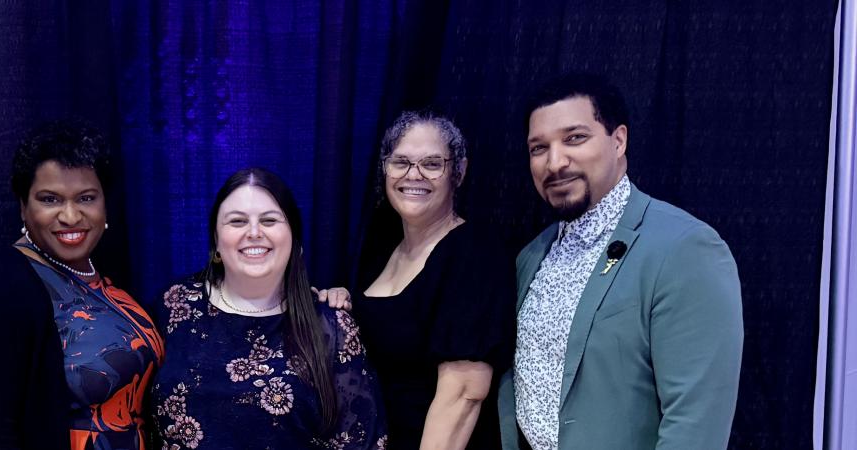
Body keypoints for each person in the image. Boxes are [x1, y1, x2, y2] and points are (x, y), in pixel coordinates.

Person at [498, 73, 744, 449]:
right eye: (538, 148)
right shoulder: (530, 256)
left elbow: (696, 424)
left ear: (619, 140)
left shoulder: (684, 248)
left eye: (574, 138)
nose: (555, 162)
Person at [0, 120, 164, 450]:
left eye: (86, 198)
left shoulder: (108, 277)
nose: (70, 216)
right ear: (23, 207)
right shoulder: (0, 287)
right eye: (50, 199)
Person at [151, 168, 387, 449]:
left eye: (269, 220)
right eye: (237, 221)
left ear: (294, 238)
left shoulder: (332, 328)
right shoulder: (175, 305)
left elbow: (362, 441)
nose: (254, 233)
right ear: (216, 240)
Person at [351, 111, 515, 449]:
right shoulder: (381, 248)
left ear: (459, 171)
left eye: (432, 164)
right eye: (401, 162)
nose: (414, 175)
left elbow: (464, 395)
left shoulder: (475, 253)